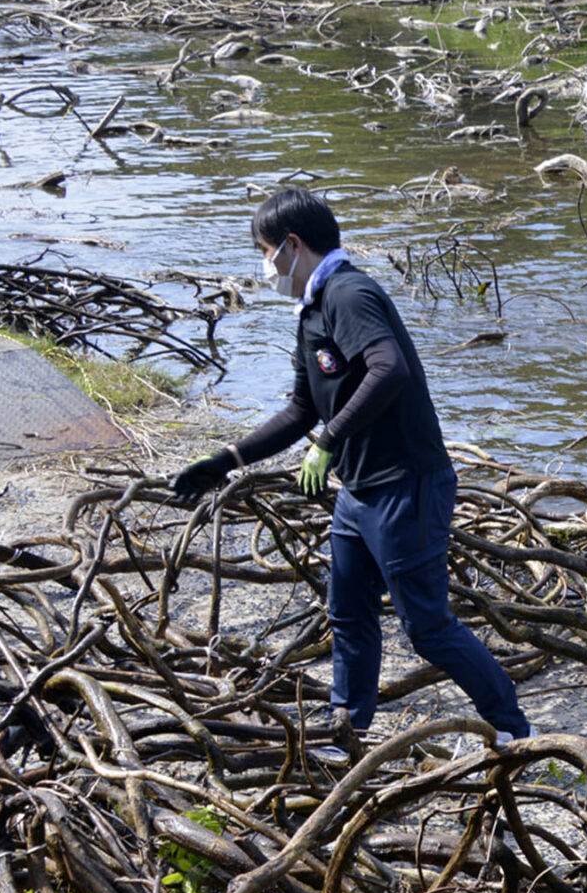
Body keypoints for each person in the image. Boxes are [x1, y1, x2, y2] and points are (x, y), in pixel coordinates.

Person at [168, 187, 530, 751]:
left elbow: (390, 369)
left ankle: (511, 730)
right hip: (358, 493)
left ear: (292, 245)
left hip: (406, 485)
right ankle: (347, 730)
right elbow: (299, 409)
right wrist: (226, 461)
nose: (264, 267)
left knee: (428, 629)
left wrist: (330, 441)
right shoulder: (311, 310)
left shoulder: (349, 293)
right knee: (348, 615)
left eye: (265, 251)